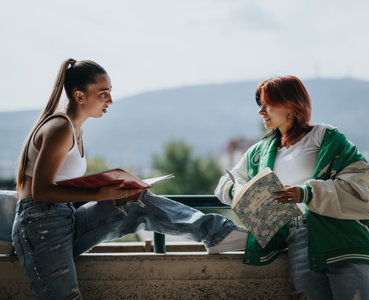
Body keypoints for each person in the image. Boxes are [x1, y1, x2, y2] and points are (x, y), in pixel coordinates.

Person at [12, 58, 247, 300]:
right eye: (103, 94)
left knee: (136, 201)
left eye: (110, 92)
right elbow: (40, 192)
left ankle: (218, 235)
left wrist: (114, 190)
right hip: (41, 226)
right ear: (79, 96)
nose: (110, 100)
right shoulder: (60, 127)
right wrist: (98, 195)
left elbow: (62, 186)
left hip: (65, 217)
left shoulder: (75, 129)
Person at [215, 75, 369, 300]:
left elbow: (356, 183)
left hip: (342, 238)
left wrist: (305, 193)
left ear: (290, 105)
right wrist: (239, 191)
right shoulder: (260, 152)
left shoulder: (325, 136)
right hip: (298, 241)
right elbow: (224, 184)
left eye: (267, 105)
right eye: (260, 105)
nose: (261, 111)